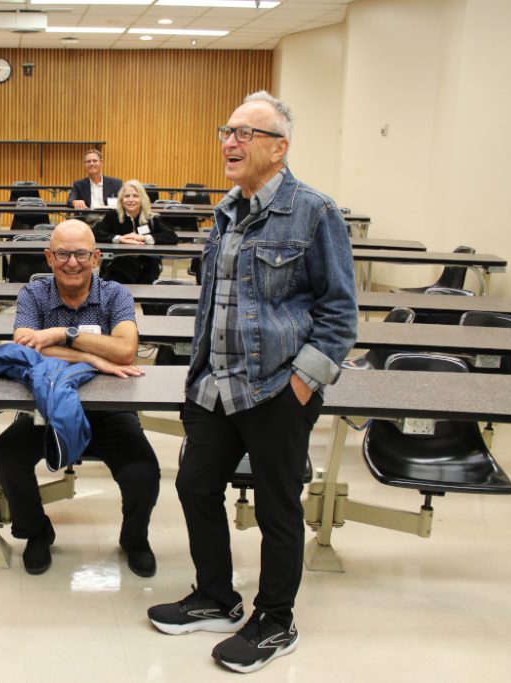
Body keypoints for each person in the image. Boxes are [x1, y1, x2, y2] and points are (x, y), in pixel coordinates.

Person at [147, 91, 358, 674]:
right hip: (214, 387)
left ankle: (275, 619)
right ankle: (216, 596)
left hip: (274, 391)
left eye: (244, 133)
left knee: (277, 509)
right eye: (227, 130)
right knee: (195, 487)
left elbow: (340, 314)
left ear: (278, 147)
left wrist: (300, 387)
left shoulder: (315, 212)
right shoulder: (227, 208)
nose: (229, 141)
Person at [0, 219, 161, 578]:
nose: (72, 262)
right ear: (49, 257)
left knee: (144, 472)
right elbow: (24, 347)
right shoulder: (32, 295)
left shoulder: (116, 294)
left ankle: (134, 539)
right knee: (6, 454)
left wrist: (61, 335)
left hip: (110, 413)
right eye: (63, 254)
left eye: (81, 254)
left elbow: (126, 350)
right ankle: (37, 530)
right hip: (46, 411)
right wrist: (92, 356)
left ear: (96, 257)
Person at [92, 179, 178, 285]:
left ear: (142, 199)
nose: (131, 200)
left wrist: (144, 238)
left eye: (135, 196)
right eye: (127, 196)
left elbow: (172, 236)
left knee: (147, 287)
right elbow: (95, 233)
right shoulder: (112, 216)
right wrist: (119, 239)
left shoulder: (151, 218)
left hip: (146, 263)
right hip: (118, 262)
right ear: (121, 199)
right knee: (113, 283)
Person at [66, 149, 122, 221]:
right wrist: (75, 202)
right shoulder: (79, 184)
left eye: (95, 161)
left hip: (109, 222)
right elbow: (70, 199)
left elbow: (123, 202)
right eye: (88, 161)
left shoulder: (116, 183)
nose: (91, 164)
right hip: (87, 222)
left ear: (101, 163)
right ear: (85, 165)